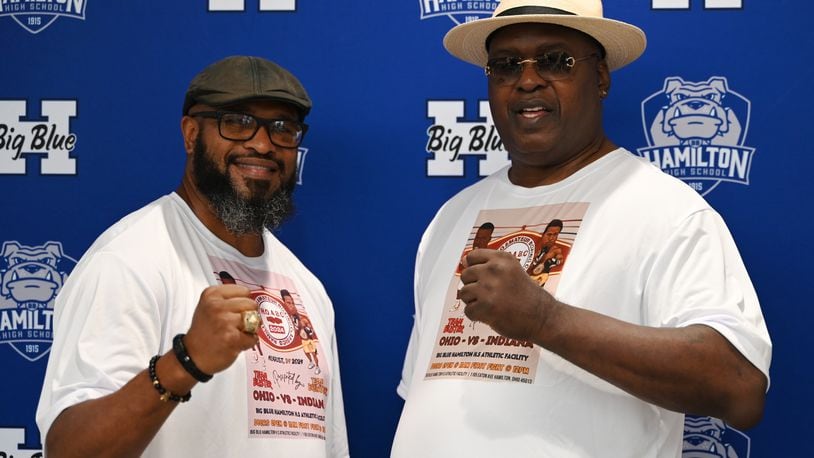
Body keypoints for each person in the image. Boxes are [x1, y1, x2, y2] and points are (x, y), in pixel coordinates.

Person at [392, 1, 771, 456]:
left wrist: (545, 320)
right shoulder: (451, 217)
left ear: (602, 78)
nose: (527, 80)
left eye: (555, 60)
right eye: (506, 66)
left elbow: (738, 386)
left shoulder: (666, 210)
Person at [35, 55, 349, 457]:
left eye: (282, 129)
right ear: (190, 134)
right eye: (236, 122)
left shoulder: (306, 287)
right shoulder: (130, 260)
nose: (262, 143)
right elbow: (70, 450)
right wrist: (186, 361)